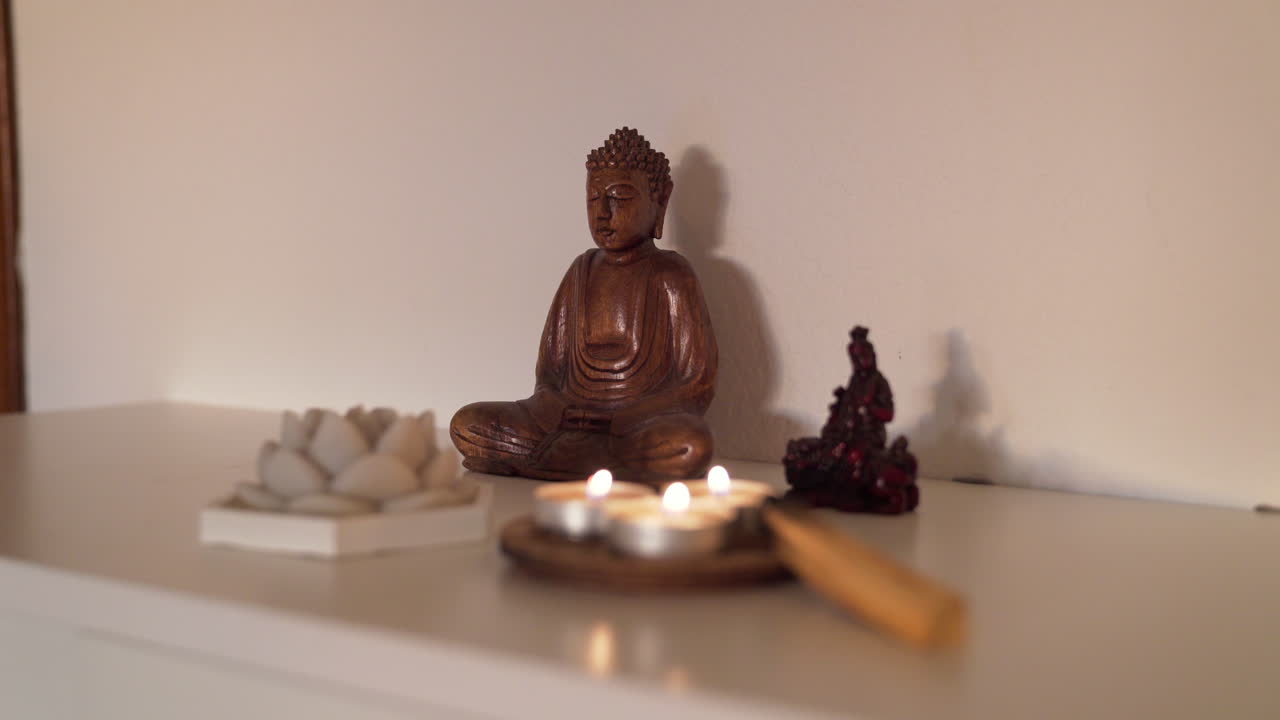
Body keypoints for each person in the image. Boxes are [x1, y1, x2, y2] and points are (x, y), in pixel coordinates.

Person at [450, 128, 717, 482]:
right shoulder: (580, 271)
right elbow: (549, 374)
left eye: (620, 198)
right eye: (593, 199)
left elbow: (696, 383)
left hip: (633, 428)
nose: (604, 213)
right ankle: (600, 464)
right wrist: (557, 409)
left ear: (658, 203)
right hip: (563, 423)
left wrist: (620, 418)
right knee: (467, 424)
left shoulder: (671, 274)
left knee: (689, 445)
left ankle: (561, 461)